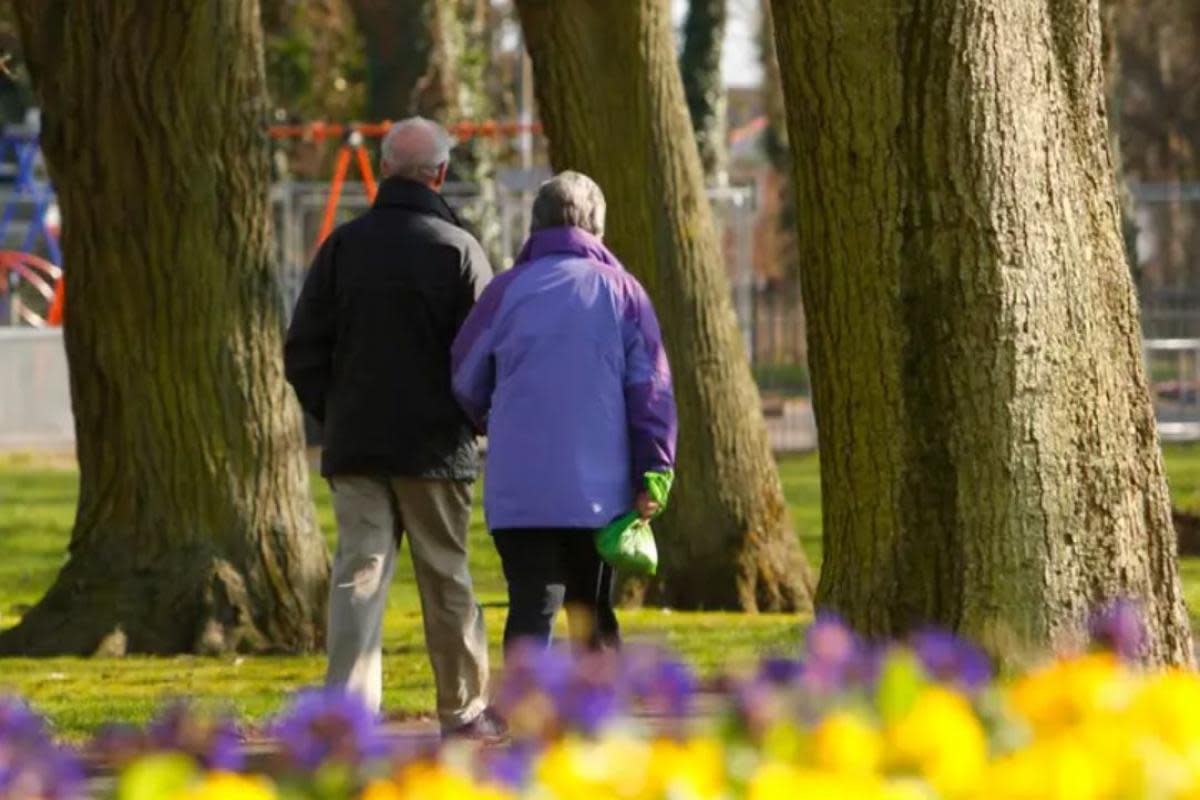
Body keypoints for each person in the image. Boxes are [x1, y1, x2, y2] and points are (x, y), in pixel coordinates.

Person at [284, 117, 500, 738]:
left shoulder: (343, 247)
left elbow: (304, 349)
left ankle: (348, 719)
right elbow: (485, 352)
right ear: (440, 173)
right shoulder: (458, 250)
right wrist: (468, 419)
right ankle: (462, 711)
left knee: (359, 577)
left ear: (381, 170)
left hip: (357, 444)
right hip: (436, 447)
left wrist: (337, 411)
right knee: (447, 577)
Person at [451, 171, 677, 651]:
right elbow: (650, 390)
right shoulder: (624, 294)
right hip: (599, 489)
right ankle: (599, 719)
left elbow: (466, 376)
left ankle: (525, 716)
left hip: (521, 490)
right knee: (592, 610)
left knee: (531, 607)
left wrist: (487, 419)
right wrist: (655, 469)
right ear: (597, 228)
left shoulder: (505, 291)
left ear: (536, 225)